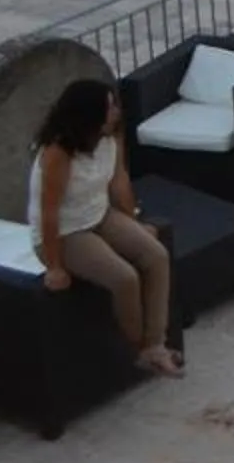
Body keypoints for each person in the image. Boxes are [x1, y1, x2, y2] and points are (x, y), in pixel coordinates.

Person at [30, 79, 179, 378]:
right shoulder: (59, 152)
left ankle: (156, 343)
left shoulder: (110, 137)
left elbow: (119, 180)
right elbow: (48, 212)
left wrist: (134, 223)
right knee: (124, 278)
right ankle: (137, 347)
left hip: (100, 214)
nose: (115, 112)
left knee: (156, 255)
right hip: (66, 232)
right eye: (108, 106)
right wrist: (55, 267)